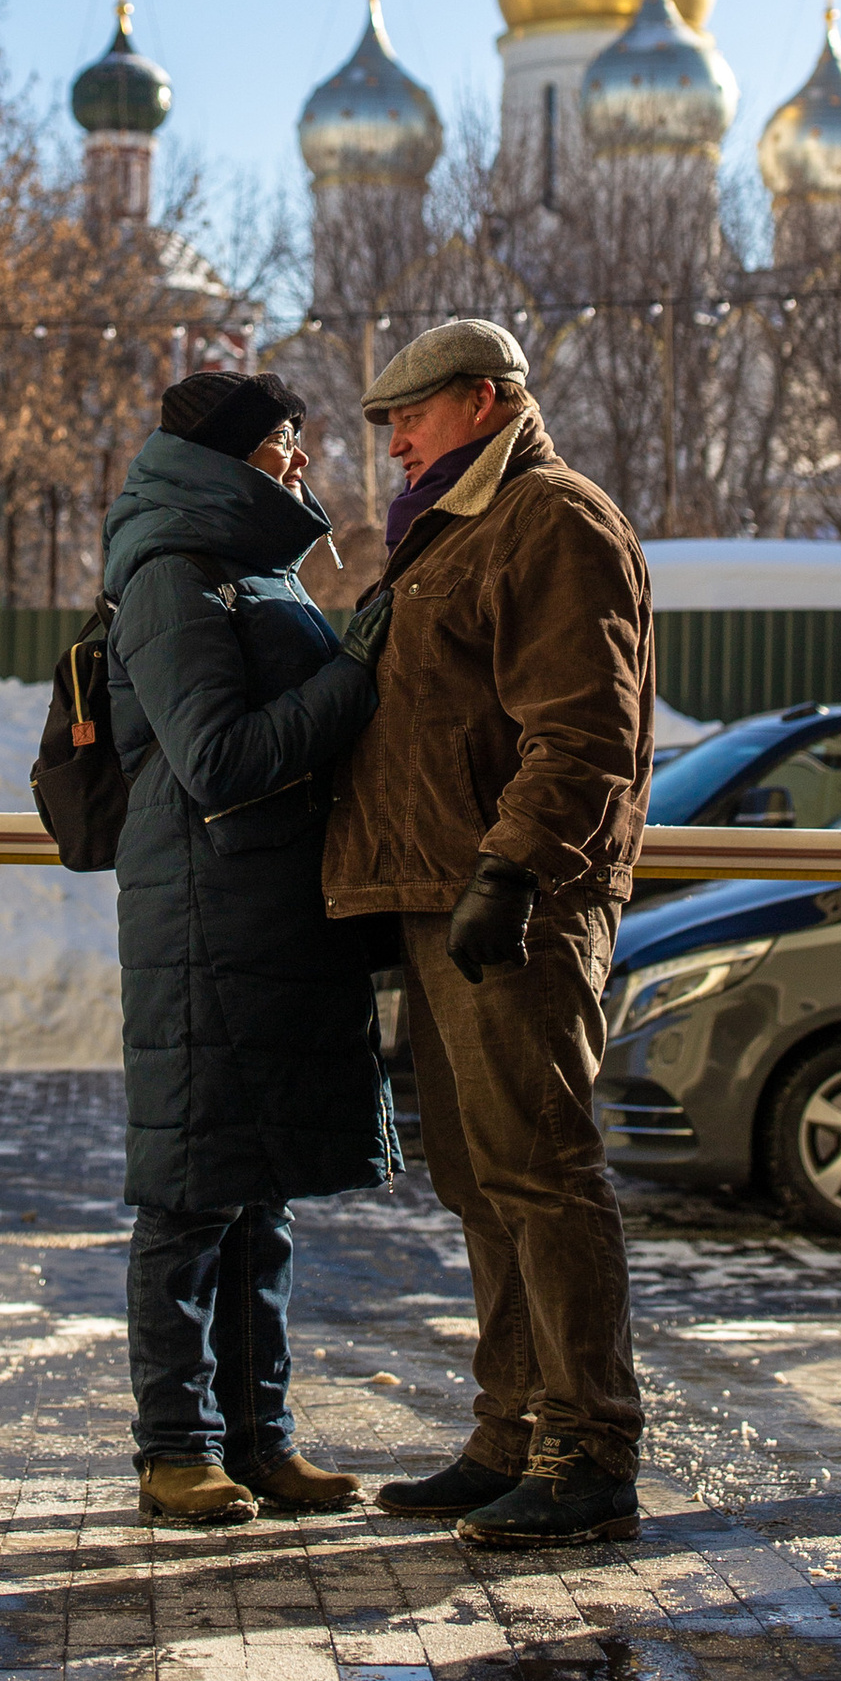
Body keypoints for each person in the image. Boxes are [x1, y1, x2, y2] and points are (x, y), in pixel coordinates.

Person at [322, 319, 654, 1545]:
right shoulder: (448, 530)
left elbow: (584, 727)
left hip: (519, 901)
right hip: (441, 895)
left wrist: (512, 870)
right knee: (479, 1175)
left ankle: (588, 1450)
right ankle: (512, 1432)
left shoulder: (550, 520)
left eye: (410, 417)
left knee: (541, 1167)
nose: (393, 443)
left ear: (485, 400)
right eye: (385, 424)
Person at [103, 367, 396, 1527]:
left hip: (269, 913)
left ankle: (260, 1439)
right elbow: (216, 759)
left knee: (259, 1192)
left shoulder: (255, 569)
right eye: (283, 439)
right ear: (230, 457)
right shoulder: (172, 576)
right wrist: (357, 672)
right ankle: (176, 1449)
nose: (301, 459)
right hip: (202, 922)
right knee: (192, 1195)